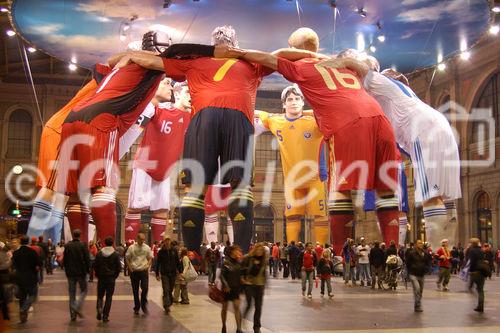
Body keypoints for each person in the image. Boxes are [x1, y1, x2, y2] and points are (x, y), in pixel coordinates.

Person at [217, 27, 400, 254]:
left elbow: (270, 58)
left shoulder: (302, 67)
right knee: (386, 188)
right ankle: (394, 254)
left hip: (347, 123)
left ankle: (338, 255)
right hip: (380, 119)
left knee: (340, 190)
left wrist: (237, 52)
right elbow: (363, 68)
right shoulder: (343, 65)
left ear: (295, 48)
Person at [111, 26, 275, 253]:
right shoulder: (251, 63)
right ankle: (241, 253)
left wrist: (126, 56)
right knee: (240, 187)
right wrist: (242, 53)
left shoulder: (195, 62)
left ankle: (192, 254)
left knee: (195, 187)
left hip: (203, 117)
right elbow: (279, 59)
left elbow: (153, 62)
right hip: (239, 117)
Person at [332, 55, 461, 250]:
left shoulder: (377, 80)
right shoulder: (402, 93)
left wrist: (334, 61)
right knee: (447, 197)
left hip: (423, 130)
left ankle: (436, 253)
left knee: (431, 195)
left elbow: (361, 67)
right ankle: (449, 250)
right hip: (441, 126)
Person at [255, 85, 328, 244]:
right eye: (289, 99)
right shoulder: (276, 121)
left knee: (320, 216)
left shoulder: (315, 120)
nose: (293, 102)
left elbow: (331, 110)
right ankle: (289, 250)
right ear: (284, 104)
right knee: (292, 216)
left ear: (303, 102)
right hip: (291, 182)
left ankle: (322, 251)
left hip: (315, 179)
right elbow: (258, 113)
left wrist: (309, 112)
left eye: (297, 99)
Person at [125, 80, 192, 242]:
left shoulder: (192, 117)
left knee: (162, 210)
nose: (192, 97)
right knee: (135, 207)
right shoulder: (158, 109)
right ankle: (129, 246)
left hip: (165, 170)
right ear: (177, 94)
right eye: (188, 92)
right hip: (145, 165)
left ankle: (158, 250)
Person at [11, 236, 41, 323]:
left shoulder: (16, 253)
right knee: (33, 295)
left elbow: (13, 265)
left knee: (22, 297)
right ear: (28, 242)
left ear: (20, 242)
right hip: (31, 277)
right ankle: (24, 309)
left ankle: (23, 318)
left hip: (19, 278)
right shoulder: (32, 252)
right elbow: (39, 263)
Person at [62, 229, 91, 321]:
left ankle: (73, 315)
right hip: (81, 273)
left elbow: (65, 260)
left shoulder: (68, 246)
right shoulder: (83, 245)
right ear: (80, 235)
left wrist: (66, 270)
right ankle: (77, 306)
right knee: (84, 290)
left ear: (73, 235)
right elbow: (87, 259)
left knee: (72, 293)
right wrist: (88, 270)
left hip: (70, 273)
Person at [94, 236, 121, 322]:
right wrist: (114, 276)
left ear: (104, 243)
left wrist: (98, 275)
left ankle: (99, 308)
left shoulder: (99, 253)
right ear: (112, 243)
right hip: (111, 278)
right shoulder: (115, 254)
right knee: (109, 297)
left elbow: (95, 266)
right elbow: (119, 268)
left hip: (101, 278)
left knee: (100, 296)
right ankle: (105, 316)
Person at [242, 243, 267, 333]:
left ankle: (256, 327)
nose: (259, 252)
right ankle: (242, 319)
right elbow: (243, 270)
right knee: (249, 305)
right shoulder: (248, 258)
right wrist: (243, 280)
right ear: (255, 250)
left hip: (260, 285)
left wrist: (265, 284)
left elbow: (264, 273)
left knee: (258, 307)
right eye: (258, 250)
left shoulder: (264, 260)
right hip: (249, 285)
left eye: (261, 250)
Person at [126, 233, 153, 315]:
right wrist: (130, 268)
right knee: (135, 290)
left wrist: (148, 266)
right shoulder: (131, 247)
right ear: (137, 239)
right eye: (141, 239)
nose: (142, 241)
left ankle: (143, 303)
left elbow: (150, 258)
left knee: (145, 288)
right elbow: (127, 258)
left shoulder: (147, 247)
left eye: (143, 239)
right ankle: (137, 307)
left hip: (143, 271)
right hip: (134, 271)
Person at [220, 245, 243, 333]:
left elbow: (241, 275)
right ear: (232, 252)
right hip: (226, 289)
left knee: (237, 307)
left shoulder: (239, 263)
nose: (239, 253)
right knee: (224, 308)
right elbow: (222, 276)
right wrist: (225, 285)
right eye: (237, 251)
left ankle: (239, 328)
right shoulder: (225, 262)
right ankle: (224, 326)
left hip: (236, 288)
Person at [155, 238, 180, 314]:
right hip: (164, 274)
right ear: (164, 242)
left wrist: (180, 272)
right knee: (166, 290)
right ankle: (166, 306)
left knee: (170, 290)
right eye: (166, 240)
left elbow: (177, 262)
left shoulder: (174, 251)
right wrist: (157, 274)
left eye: (169, 240)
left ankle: (169, 300)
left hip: (173, 274)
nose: (168, 242)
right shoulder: (161, 252)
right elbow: (158, 263)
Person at [405, 240, 432, 312]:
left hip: (421, 274)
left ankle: (416, 304)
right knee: (417, 289)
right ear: (416, 245)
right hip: (413, 274)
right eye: (419, 243)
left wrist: (427, 269)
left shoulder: (425, 253)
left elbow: (428, 261)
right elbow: (407, 263)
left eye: (421, 243)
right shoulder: (412, 253)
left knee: (420, 291)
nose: (421, 244)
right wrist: (409, 271)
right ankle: (418, 305)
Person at [468, 238, 486, 312]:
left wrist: (470, 270)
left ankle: (470, 287)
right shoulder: (481, 250)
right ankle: (480, 306)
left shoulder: (472, 251)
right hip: (482, 271)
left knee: (474, 287)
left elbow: (472, 262)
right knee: (481, 290)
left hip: (475, 272)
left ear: (472, 243)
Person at [0, 242, 11, 321]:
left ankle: (5, 314)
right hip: (3, 276)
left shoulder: (4, 254)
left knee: (3, 295)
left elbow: (7, 265)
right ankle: (5, 314)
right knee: (3, 296)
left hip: (3, 276)